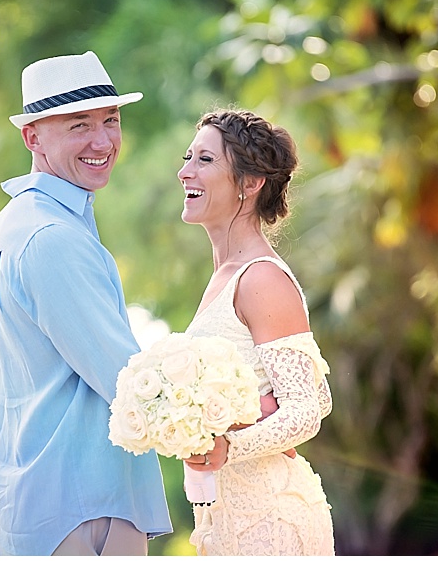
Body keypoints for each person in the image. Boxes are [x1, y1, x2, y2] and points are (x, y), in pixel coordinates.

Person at [0, 51, 172, 555]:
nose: (103, 141)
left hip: (52, 507)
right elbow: (125, 378)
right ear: (33, 138)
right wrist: (228, 420)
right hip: (85, 510)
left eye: (111, 120)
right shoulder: (51, 236)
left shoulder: (19, 222)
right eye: (79, 124)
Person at [176, 109, 335, 555]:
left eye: (205, 160)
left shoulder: (261, 278)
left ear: (250, 183)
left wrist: (231, 446)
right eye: (188, 157)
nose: (184, 171)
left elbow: (309, 407)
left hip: (270, 518)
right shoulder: (222, 278)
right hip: (225, 514)